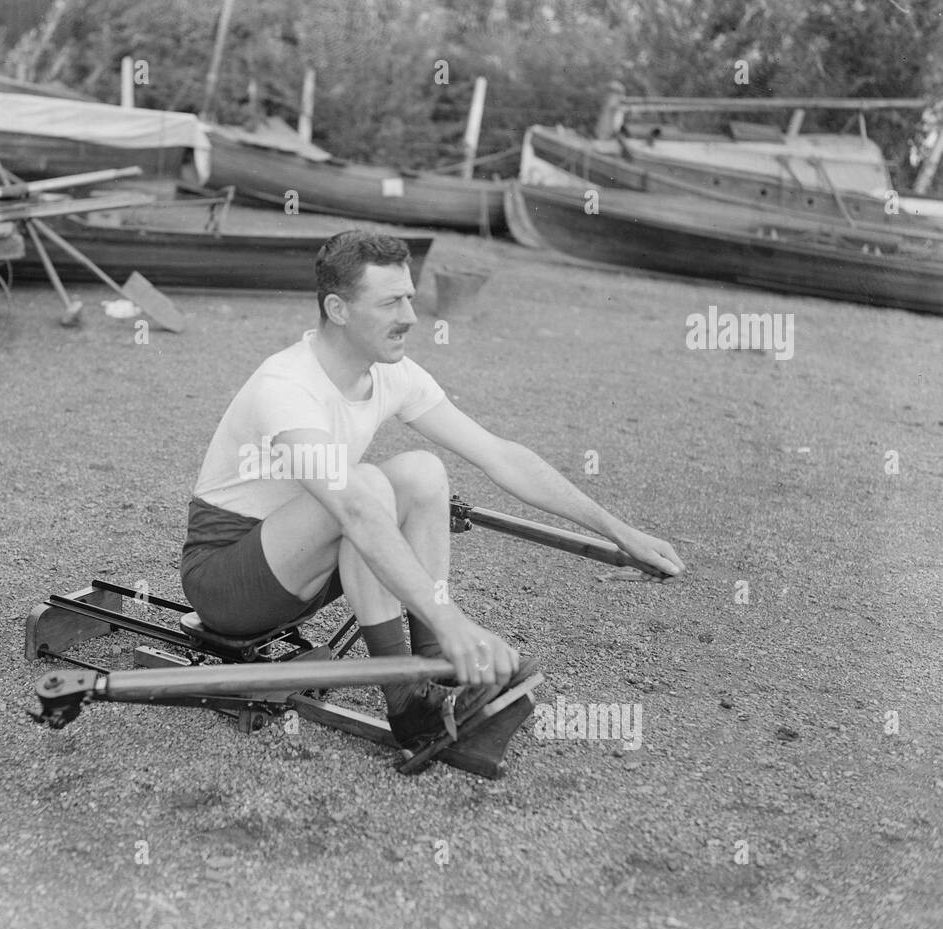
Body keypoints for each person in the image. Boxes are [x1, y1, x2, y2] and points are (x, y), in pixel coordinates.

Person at [180, 231, 684, 753]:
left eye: (410, 298)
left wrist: (617, 530)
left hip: (299, 565)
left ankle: (433, 668)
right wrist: (457, 623)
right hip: (225, 583)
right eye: (390, 302)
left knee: (423, 471)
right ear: (338, 308)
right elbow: (353, 507)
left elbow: (499, 454)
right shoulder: (285, 386)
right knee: (368, 487)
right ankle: (406, 699)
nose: (411, 317)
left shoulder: (390, 373)